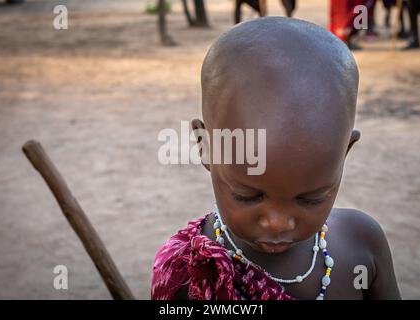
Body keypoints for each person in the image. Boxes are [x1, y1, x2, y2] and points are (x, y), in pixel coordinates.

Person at [151, 17, 401, 300]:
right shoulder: (189, 272)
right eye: (248, 195)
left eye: (310, 198)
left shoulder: (362, 244)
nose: (278, 223)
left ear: (345, 152)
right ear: (205, 146)